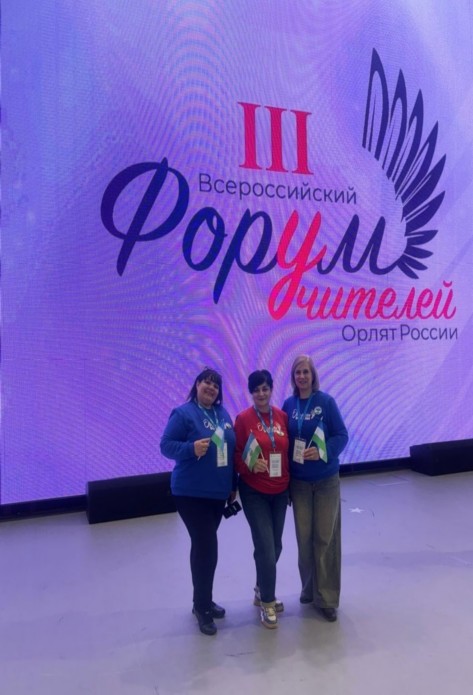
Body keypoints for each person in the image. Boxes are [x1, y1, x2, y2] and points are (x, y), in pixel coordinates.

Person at [160, 367, 236, 636]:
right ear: (197, 385)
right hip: (190, 494)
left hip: (217, 494)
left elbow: (230, 450)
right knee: (207, 546)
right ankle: (202, 608)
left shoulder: (222, 414)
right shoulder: (183, 413)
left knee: (203, 547)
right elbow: (166, 445)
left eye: (216, 385)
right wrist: (191, 449)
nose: (211, 388)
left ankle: (202, 600)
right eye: (206, 382)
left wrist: (233, 485)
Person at [282, 355, 348, 622]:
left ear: (313, 375)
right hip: (298, 483)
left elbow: (341, 435)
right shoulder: (288, 405)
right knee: (304, 539)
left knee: (325, 538)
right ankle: (309, 589)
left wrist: (322, 451)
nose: (302, 376)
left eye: (306, 372)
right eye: (298, 372)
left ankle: (327, 598)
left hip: (325, 481)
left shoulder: (326, 402)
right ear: (293, 377)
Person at [234, 369, 290, 629]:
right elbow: (235, 455)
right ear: (251, 393)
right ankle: (268, 602)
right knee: (266, 549)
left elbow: (286, 452)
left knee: (275, 547)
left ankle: (260, 588)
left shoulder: (281, 416)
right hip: (254, 491)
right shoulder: (243, 419)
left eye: (265, 388)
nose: (261, 393)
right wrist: (248, 465)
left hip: (280, 491)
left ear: (271, 389)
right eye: (256, 390)